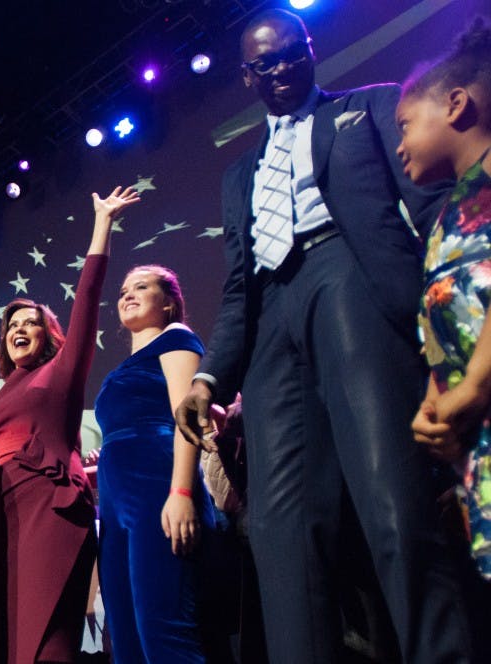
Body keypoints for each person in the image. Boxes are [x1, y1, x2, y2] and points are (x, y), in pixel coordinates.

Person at [173, 8, 470, 662]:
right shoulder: (236, 176)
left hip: (350, 281)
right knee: (281, 535)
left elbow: (431, 214)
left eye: (291, 53)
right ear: (247, 75)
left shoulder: (366, 108)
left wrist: (451, 331)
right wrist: (207, 376)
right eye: (265, 62)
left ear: (309, 49)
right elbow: (236, 289)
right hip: (270, 320)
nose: (281, 69)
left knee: (392, 501)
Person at [0, 185, 139, 663]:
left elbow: (88, 298)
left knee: (48, 643)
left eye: (29, 323)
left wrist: (103, 223)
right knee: (9, 644)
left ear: (48, 335)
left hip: (50, 510)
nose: (18, 331)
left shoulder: (61, 372)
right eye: (11, 327)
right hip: (0, 517)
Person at [401, 18, 491, 579]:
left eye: (405, 125)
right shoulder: (445, 217)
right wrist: (436, 406)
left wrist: (478, 383)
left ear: (456, 105)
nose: (400, 143)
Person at [93, 264, 216, 662]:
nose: (127, 295)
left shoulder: (176, 337)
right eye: (124, 289)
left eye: (142, 287)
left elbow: (187, 417)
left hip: (157, 491)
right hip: (115, 509)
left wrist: (180, 491)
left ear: (168, 304)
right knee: (126, 641)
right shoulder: (122, 369)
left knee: (163, 633)